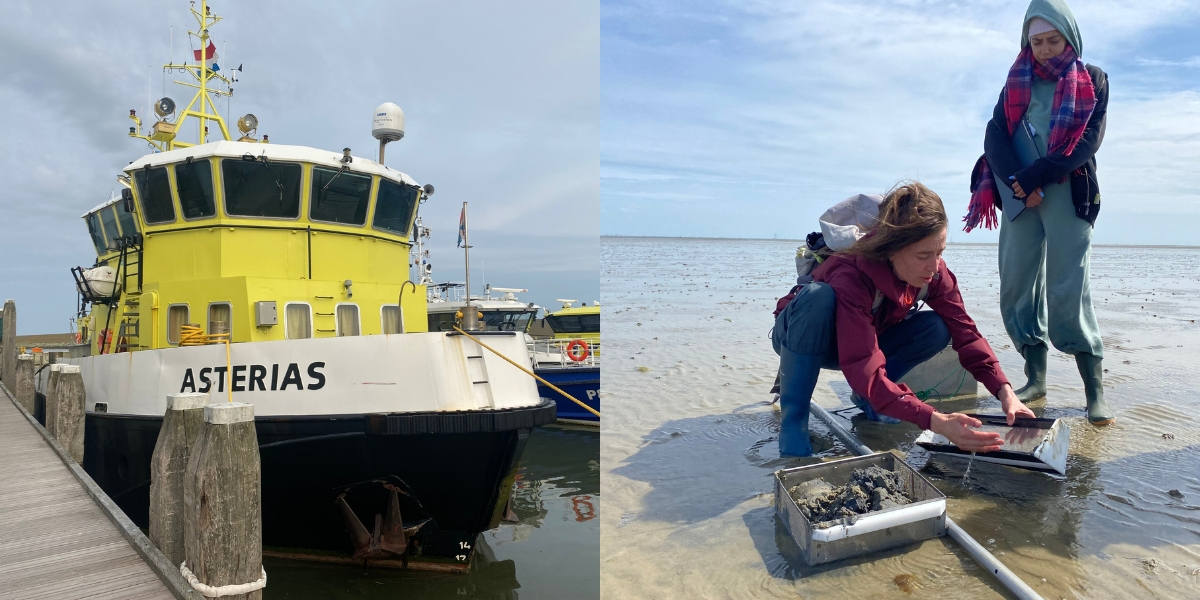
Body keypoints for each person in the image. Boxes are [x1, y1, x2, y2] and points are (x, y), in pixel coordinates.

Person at [772, 182, 1034, 457]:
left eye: (940, 252)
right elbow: (863, 367)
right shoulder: (851, 274)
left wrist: (1006, 393)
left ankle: (871, 399)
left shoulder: (934, 272)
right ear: (891, 249)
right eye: (923, 255)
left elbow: (967, 333)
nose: (934, 267)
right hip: (804, 338)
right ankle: (794, 422)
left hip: (864, 340)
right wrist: (936, 420)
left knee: (938, 327)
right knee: (818, 297)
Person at [963, 0, 1112, 425]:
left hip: (1066, 192)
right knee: (1016, 288)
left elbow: (1087, 142)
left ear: (1070, 38)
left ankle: (1094, 392)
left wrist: (1035, 179)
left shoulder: (1093, 79)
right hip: (1016, 197)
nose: (1044, 49)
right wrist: (1017, 183)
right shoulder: (1015, 81)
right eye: (1037, 41)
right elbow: (995, 136)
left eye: (1053, 40)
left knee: (1068, 289)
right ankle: (1036, 379)